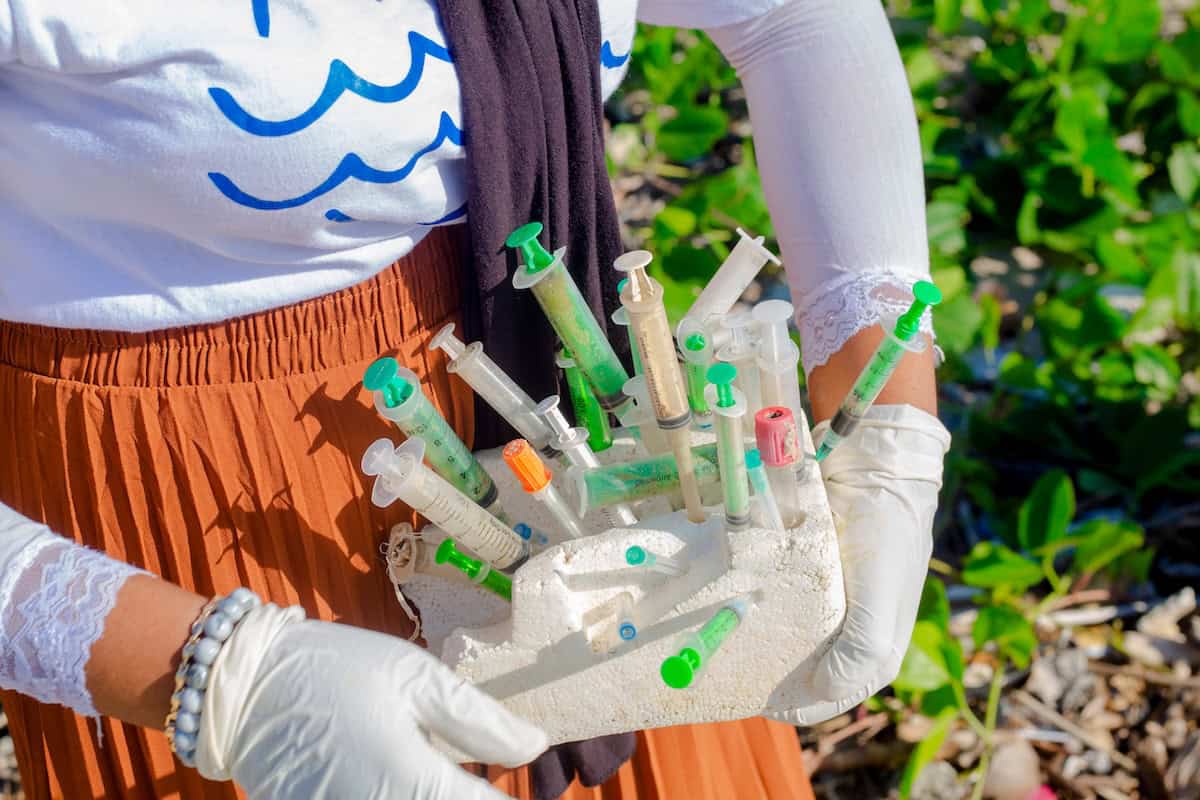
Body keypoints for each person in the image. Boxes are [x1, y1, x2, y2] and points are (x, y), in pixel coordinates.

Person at [0, 0, 951, 797]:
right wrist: (228, 681)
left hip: (605, 463)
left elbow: (788, 13)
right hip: (196, 518)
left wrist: (890, 411)